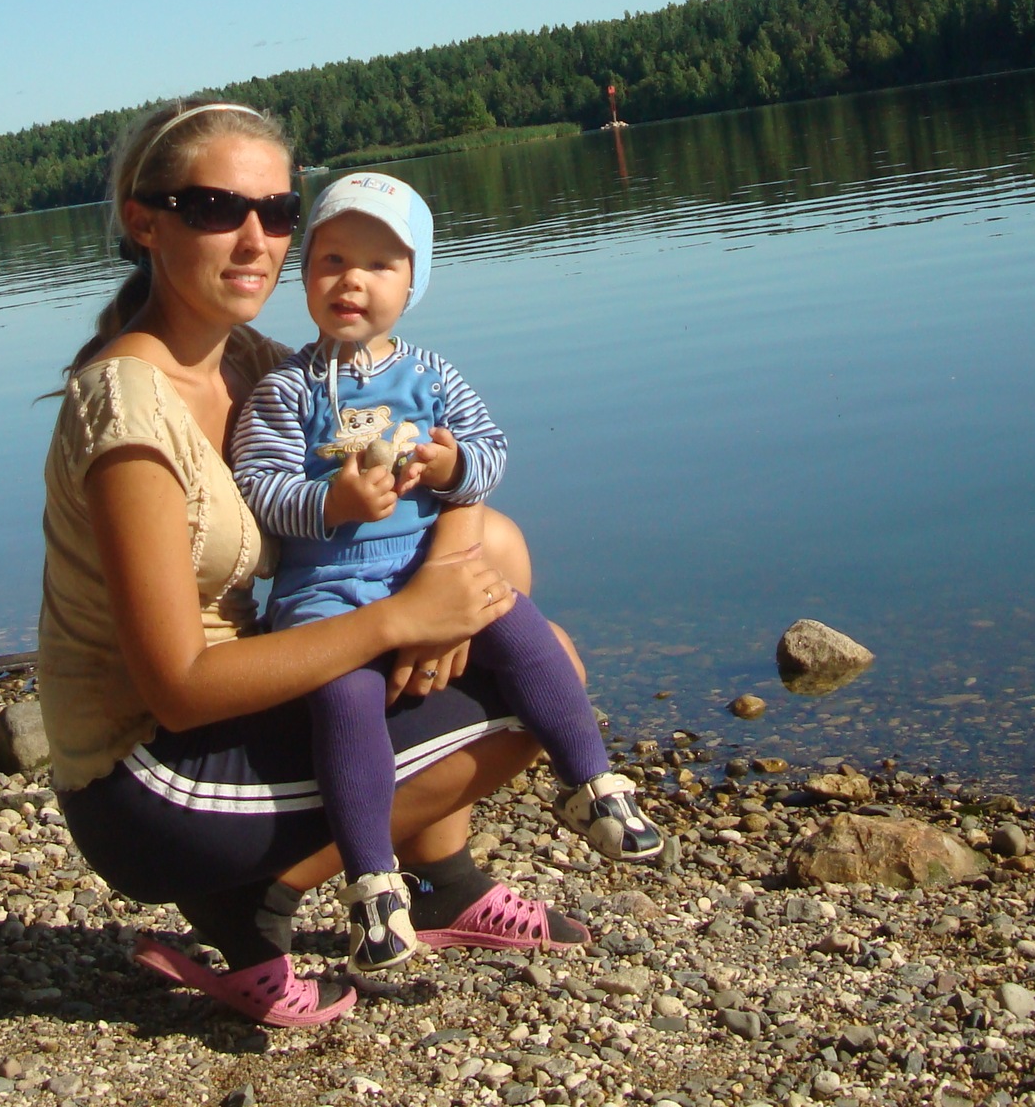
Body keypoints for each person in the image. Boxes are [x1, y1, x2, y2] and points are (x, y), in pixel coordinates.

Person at [37, 99, 591, 1028]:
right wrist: (398, 621)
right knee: (548, 671)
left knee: (491, 552)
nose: (255, 239)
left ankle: (443, 881)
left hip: (235, 705)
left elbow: (449, 465)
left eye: (278, 211)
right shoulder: (131, 416)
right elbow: (178, 686)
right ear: (145, 222)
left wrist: (440, 571)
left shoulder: (252, 366)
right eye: (216, 208)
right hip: (151, 781)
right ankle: (255, 901)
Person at [230, 170, 662, 970]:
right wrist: (331, 502)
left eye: (378, 265)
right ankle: (373, 885)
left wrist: (455, 465)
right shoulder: (285, 389)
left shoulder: (432, 377)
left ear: (413, 283)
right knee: (344, 699)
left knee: (519, 623)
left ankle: (593, 782)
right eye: (331, 261)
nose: (351, 281)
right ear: (307, 274)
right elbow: (258, 487)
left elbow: (492, 454)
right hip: (326, 592)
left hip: (421, 565)